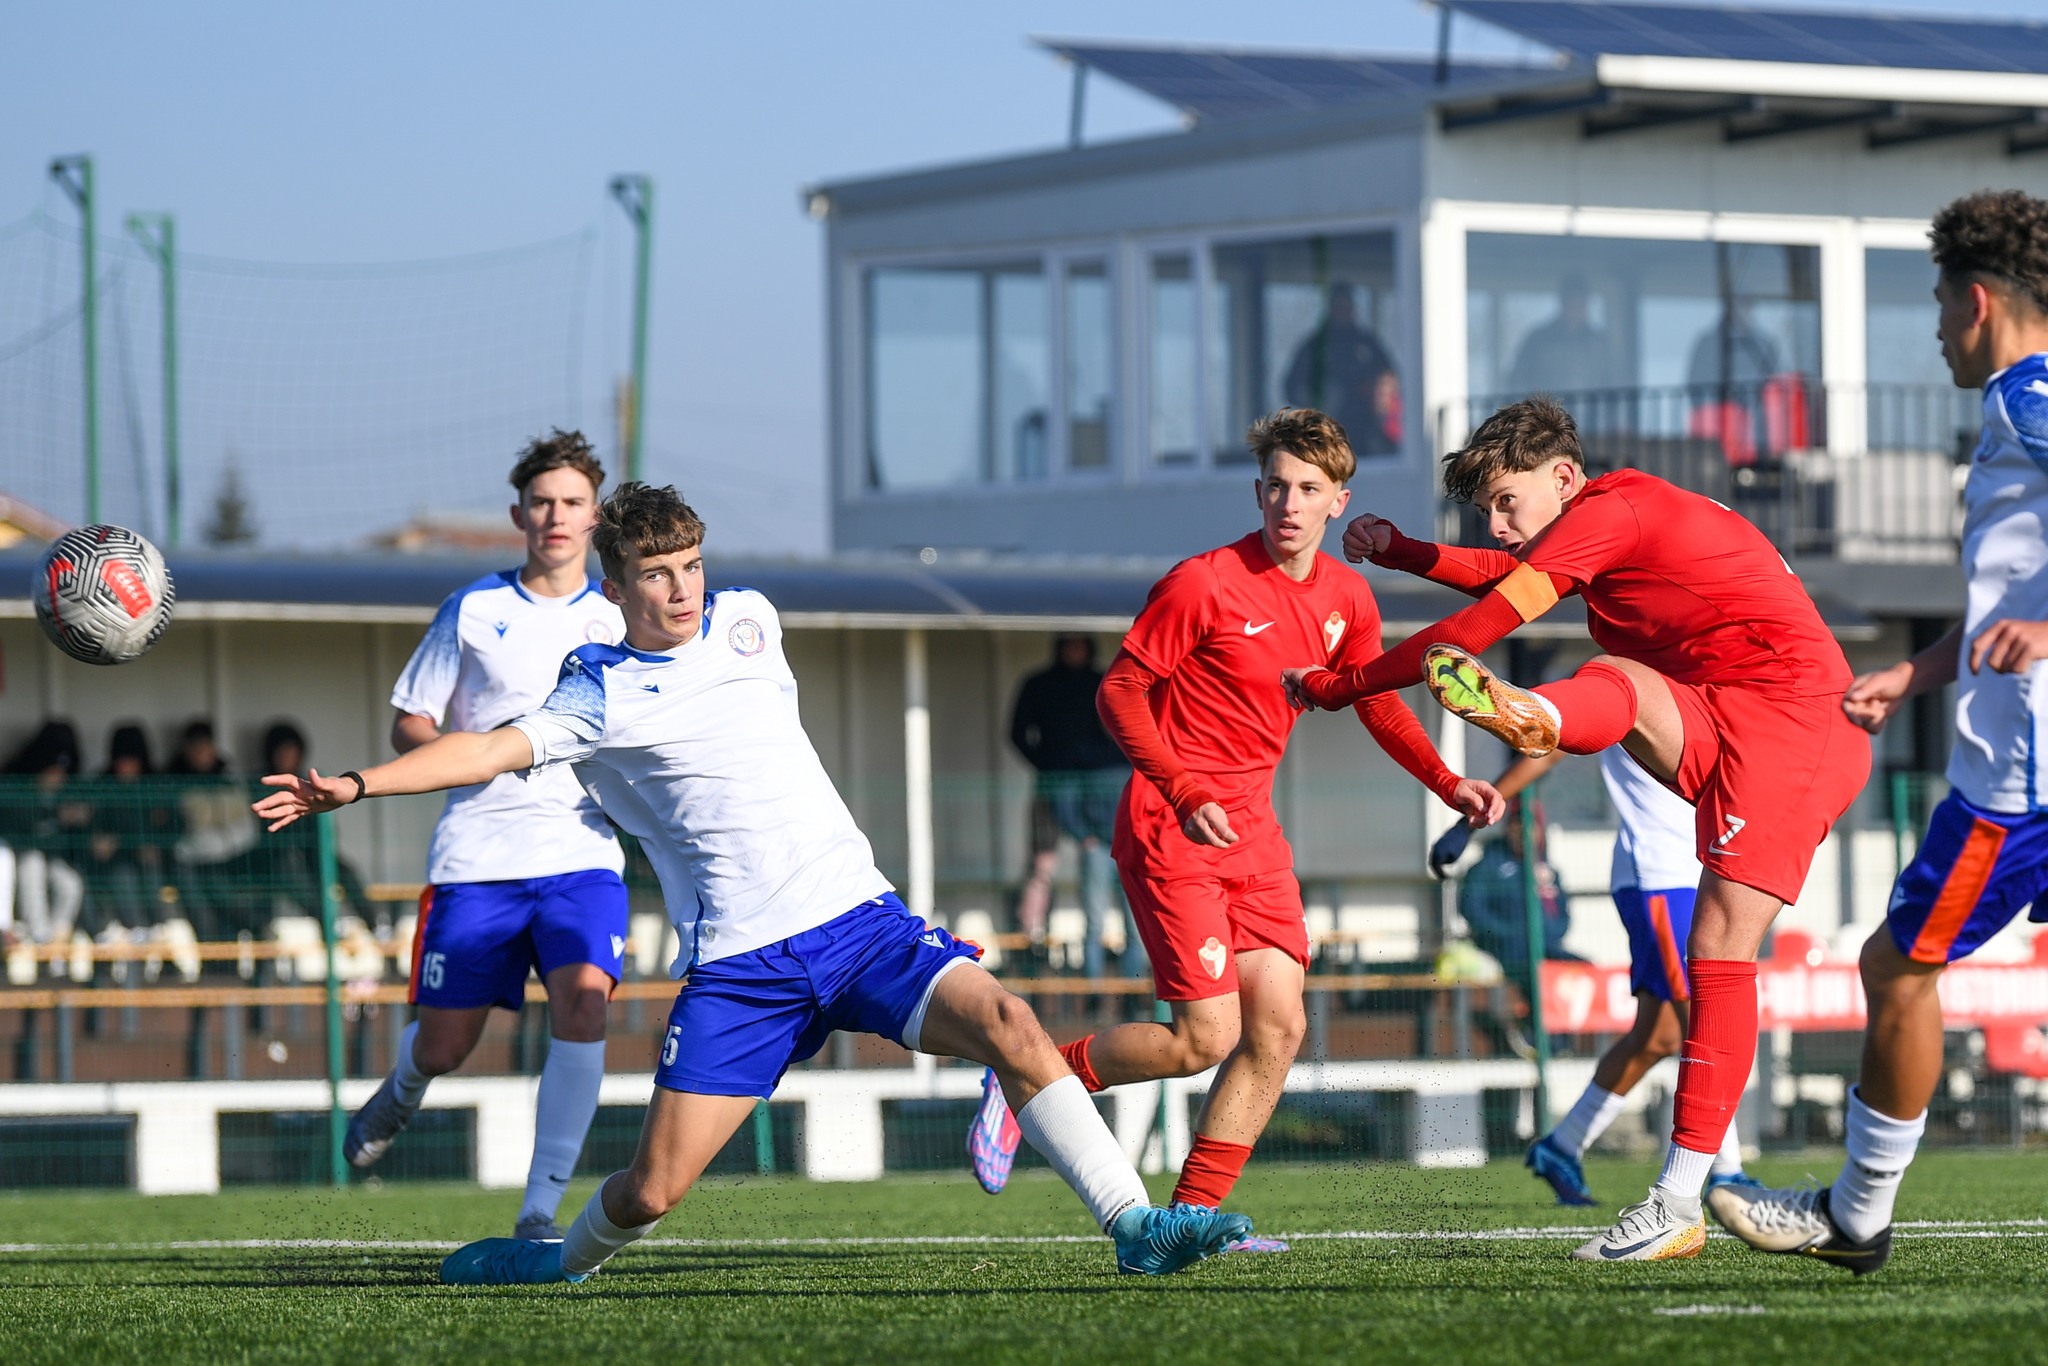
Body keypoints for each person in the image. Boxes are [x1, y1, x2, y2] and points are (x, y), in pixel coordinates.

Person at [253, 482, 1254, 1283]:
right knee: (650, 1190)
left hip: (862, 924)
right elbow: (480, 750)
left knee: (1013, 1027)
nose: (681, 589)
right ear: (617, 586)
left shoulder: (749, 620)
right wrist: (354, 783)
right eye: (656, 574)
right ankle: (559, 1261)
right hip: (744, 968)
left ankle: (1133, 1225)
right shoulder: (595, 691)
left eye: (689, 566)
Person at [1281, 394, 1867, 1264]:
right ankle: (1540, 719)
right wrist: (1405, 553)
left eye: (1506, 502)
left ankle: (1679, 1201)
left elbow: (1479, 625)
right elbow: (1501, 574)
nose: (1498, 521)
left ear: (1563, 478)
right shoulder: (1599, 518)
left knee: (1716, 948)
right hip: (1724, 708)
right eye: (1488, 509)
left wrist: (1344, 685)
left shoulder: (1612, 511)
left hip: (1797, 726)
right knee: (1619, 678)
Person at [967, 407, 1504, 1228]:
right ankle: (1029, 1077)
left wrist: (1445, 780)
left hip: (1251, 831)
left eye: (1310, 490)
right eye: (1278, 487)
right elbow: (1119, 693)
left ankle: (1189, 1225)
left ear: (1337, 501)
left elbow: (1373, 701)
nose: (1290, 503)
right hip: (1169, 821)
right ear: (1259, 493)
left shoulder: (1347, 597)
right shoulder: (1203, 583)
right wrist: (1185, 789)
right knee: (1203, 1039)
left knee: (1279, 1027)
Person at [1712, 190, 2048, 1276]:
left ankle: (1855, 1214)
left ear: (1977, 301)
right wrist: (1915, 668)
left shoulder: (2023, 400)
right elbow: (2010, 598)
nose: (1934, 330)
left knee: (1897, 965)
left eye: (1939, 306)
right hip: (2011, 754)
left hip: (2018, 782)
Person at [340, 429, 632, 1242]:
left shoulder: (617, 615)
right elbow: (410, 722)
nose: (557, 516)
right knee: (447, 1043)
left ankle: (540, 1210)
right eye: (542, 502)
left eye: (572, 501)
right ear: (518, 514)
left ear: (594, 513)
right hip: (478, 857)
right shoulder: (474, 609)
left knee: (583, 1005)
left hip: (583, 855)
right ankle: (402, 1088)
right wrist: (466, 756)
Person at [1434, 749, 1759, 1206]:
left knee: (1660, 1035)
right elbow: (1548, 743)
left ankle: (1561, 1147)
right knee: (1703, 1026)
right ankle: (1728, 1173)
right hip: (1661, 874)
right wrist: (1466, 822)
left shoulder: (1701, 684)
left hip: (1697, 870)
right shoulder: (1629, 681)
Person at [1008, 633, 1134, 979]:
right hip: (1055, 786)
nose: (1074, 650)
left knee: (1104, 865)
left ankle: (1115, 969)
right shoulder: (1039, 684)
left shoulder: (1101, 681)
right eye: (1068, 644)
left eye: (1080, 644)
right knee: (1041, 868)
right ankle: (1031, 942)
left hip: (1098, 790)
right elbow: (1018, 733)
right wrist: (1046, 765)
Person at [1283, 286, 1401, 456]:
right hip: (1326, 436)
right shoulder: (1315, 347)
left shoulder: (1366, 344)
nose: (1343, 311)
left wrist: (1371, 390)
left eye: (1346, 306)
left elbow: (1390, 380)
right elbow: (1291, 388)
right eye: (1338, 306)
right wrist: (1321, 398)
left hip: (1367, 433)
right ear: (1330, 308)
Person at [0, 722, 88, 946]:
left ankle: (55, 942)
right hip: (21, 857)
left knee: (71, 884)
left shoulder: (65, 794)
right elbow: (16, 835)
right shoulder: (19, 788)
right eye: (53, 771)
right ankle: (38, 936)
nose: (57, 776)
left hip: (53, 859)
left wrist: (72, 820)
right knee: (33, 865)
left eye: (61, 772)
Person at [1505, 274, 1617, 401]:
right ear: (1562, 302)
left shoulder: (1600, 345)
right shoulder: (1538, 341)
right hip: (1547, 418)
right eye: (1571, 301)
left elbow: (1614, 386)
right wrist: (1533, 411)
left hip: (1593, 418)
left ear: (1587, 304)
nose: (1575, 308)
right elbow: (1517, 381)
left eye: (1580, 302)